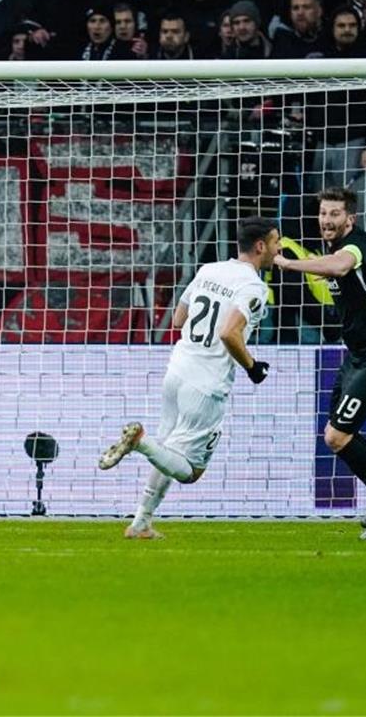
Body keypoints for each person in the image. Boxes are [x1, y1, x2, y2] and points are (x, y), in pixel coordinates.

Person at [98, 217, 280, 539]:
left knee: (165, 451)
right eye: (276, 242)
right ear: (261, 246)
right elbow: (228, 333)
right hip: (206, 386)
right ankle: (139, 441)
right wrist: (252, 367)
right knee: (190, 471)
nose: (279, 249)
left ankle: (141, 521)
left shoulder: (208, 270)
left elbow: (180, 317)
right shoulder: (254, 286)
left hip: (177, 371)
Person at [272, 187, 366, 540]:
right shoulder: (333, 247)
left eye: (334, 214)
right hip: (358, 354)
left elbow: (340, 266)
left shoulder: (356, 246)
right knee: (337, 434)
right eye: (322, 214)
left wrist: (288, 263)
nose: (326, 221)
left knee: (336, 435)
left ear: (350, 218)